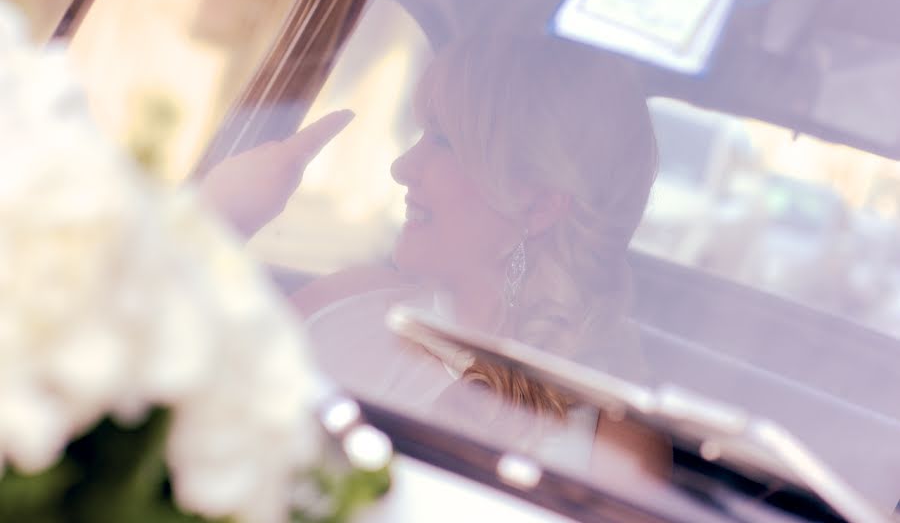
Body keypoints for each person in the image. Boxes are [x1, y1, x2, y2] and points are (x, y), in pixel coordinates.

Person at [201, 33, 664, 474]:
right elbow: (179, 400)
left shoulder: (610, 440)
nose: (402, 168)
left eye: (444, 141)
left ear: (538, 205)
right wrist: (219, 219)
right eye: (422, 134)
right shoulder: (344, 301)